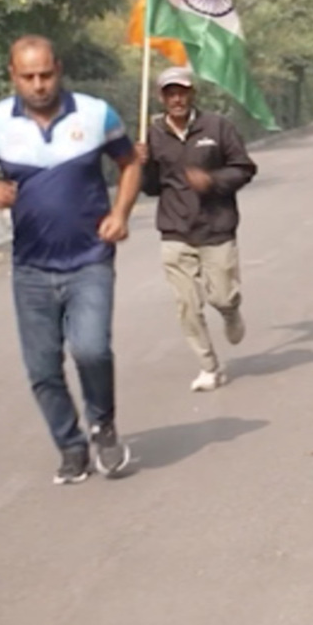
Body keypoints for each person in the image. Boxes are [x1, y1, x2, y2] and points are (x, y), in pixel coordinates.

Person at [0, 36, 141, 484]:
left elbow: (130, 164)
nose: (38, 85)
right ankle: (71, 448)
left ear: (59, 68)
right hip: (32, 269)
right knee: (42, 367)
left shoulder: (96, 114)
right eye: (28, 76)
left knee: (91, 349)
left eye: (46, 74)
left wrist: (120, 214)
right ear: (13, 75)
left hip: (90, 259)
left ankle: (103, 424)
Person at [134, 65, 258, 393]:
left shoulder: (216, 127)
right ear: (161, 97)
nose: (177, 98)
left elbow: (244, 168)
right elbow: (151, 188)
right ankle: (208, 366)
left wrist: (213, 181)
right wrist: (142, 163)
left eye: (182, 92)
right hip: (175, 230)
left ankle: (231, 312)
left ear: (192, 94)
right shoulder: (153, 134)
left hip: (216, 227)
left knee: (222, 296)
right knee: (186, 304)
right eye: (170, 93)